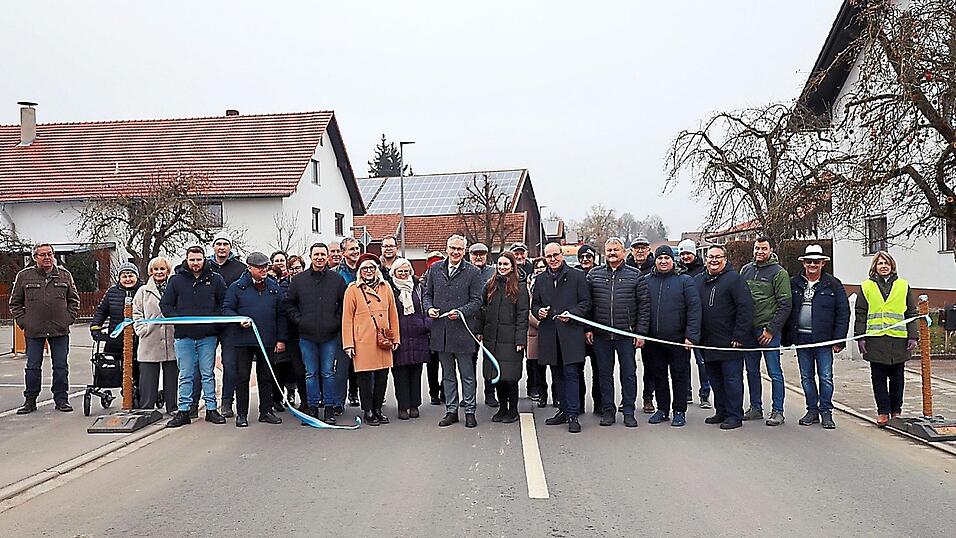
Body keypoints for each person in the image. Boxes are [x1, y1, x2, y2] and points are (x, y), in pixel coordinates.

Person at [783, 245, 849, 430]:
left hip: (824, 340)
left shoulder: (833, 284)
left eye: (816, 262)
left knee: (825, 377)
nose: (812, 265)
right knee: (806, 377)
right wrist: (786, 337)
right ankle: (812, 410)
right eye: (809, 261)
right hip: (802, 339)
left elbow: (843, 312)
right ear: (804, 263)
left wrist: (839, 339)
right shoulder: (794, 283)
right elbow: (786, 308)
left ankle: (826, 411)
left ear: (822, 263)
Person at [585, 237, 649, 428]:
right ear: (605, 252)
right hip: (601, 335)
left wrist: (640, 332)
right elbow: (588, 305)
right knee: (604, 375)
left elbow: (644, 306)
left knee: (628, 374)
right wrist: (588, 328)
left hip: (626, 335)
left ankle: (628, 411)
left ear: (624, 252)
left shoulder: (635, 275)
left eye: (616, 250)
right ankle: (608, 411)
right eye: (609, 250)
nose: (612, 253)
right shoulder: (594, 275)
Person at [10, 243, 81, 414]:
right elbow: (15, 303)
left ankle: (61, 399)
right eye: (42, 255)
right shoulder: (24, 276)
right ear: (35, 257)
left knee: (61, 366)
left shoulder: (64, 275)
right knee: (33, 367)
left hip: (59, 330)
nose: (47, 257)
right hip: (34, 330)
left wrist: (68, 319)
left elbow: (74, 300)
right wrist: (24, 322)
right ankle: (30, 400)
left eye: (50, 254)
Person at [162, 246, 228, 427]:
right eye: (192, 259)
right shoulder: (176, 280)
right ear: (187, 259)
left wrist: (214, 323)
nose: (196, 263)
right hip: (184, 336)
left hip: (208, 336)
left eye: (199, 259)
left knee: (207, 373)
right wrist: (179, 320)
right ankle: (184, 410)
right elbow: (166, 305)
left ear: (204, 259)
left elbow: (223, 304)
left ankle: (211, 409)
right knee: (185, 374)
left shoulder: (216, 279)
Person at [423, 235, 484, 428]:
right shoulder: (435, 268)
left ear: (464, 251)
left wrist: (461, 312)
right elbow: (427, 294)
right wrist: (429, 308)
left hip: (463, 331)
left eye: (459, 249)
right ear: (446, 248)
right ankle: (451, 411)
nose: (455, 252)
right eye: (452, 248)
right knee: (447, 375)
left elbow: (477, 301)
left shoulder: (473, 272)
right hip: (441, 332)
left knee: (467, 375)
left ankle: (470, 411)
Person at [532, 242, 592, 433]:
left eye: (556, 255)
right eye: (549, 256)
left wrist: (571, 314)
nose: (553, 259)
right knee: (556, 374)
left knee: (571, 374)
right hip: (550, 334)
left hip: (571, 334)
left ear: (562, 254)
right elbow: (535, 305)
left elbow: (586, 303)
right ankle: (563, 410)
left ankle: (573, 414)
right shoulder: (540, 279)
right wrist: (539, 312)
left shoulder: (577, 276)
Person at [285, 243, 348, 424]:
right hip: (306, 335)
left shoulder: (337, 280)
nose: (319, 258)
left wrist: (335, 322)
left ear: (327, 257)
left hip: (330, 335)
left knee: (328, 373)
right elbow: (289, 303)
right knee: (310, 373)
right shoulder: (299, 280)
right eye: (316, 254)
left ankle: (329, 408)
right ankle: (312, 407)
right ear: (311, 257)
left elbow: (344, 305)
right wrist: (300, 320)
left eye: (322, 254)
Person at [854, 251, 918, 427]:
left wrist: (913, 336)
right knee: (878, 378)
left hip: (898, 340)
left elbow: (911, 312)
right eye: (880, 263)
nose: (883, 266)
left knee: (898, 378)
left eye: (886, 263)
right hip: (875, 340)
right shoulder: (866, 286)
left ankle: (896, 411)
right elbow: (860, 313)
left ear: (892, 266)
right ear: (874, 266)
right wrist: (860, 337)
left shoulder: (903, 285)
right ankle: (883, 411)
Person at [222, 252, 287, 427]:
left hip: (267, 339)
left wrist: (281, 339)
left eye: (266, 266)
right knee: (242, 377)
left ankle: (266, 411)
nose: (264, 270)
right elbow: (227, 309)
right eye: (260, 267)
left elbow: (281, 314)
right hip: (243, 340)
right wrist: (238, 319)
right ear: (249, 268)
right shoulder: (237, 287)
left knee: (266, 377)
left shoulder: (273, 287)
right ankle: (242, 414)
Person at [695, 245, 753, 430]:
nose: (714, 260)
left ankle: (735, 415)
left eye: (718, 257)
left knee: (732, 380)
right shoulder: (699, 281)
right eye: (710, 257)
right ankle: (721, 411)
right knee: (715, 380)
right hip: (708, 342)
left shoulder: (735, 280)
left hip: (730, 342)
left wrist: (739, 335)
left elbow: (745, 308)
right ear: (706, 260)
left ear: (725, 260)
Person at [643, 246, 701, 427]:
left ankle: (679, 411)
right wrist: (641, 334)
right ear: (655, 261)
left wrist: (691, 336)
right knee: (658, 375)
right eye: (660, 258)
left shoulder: (685, 280)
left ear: (672, 260)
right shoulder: (647, 281)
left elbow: (694, 309)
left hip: (678, 340)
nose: (663, 261)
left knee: (679, 376)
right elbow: (642, 309)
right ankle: (662, 409)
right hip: (654, 340)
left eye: (666, 258)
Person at [740, 237, 792, 426]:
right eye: (757, 248)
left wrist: (771, 330)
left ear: (771, 250)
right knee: (751, 371)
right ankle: (755, 408)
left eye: (763, 248)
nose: (759, 252)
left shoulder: (779, 273)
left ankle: (778, 411)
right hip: (749, 331)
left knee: (774, 372)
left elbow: (785, 304)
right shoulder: (746, 270)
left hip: (769, 332)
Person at [343, 254, 400, 426]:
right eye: (365, 268)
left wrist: (395, 338)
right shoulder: (352, 289)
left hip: (383, 339)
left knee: (382, 376)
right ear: (360, 271)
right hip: (363, 340)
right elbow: (347, 319)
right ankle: (368, 410)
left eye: (372, 268)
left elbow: (393, 314)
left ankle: (378, 409)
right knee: (365, 378)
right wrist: (348, 343)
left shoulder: (386, 287)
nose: (369, 271)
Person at [477, 251, 530, 423]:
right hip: (492, 339)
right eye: (499, 264)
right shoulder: (490, 285)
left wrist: (520, 339)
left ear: (512, 266)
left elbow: (522, 315)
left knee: (510, 378)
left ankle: (513, 410)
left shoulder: (520, 287)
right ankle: (502, 408)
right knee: (497, 376)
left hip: (511, 340)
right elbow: (482, 309)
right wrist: (479, 331)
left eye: (505, 264)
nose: (502, 267)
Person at [208, 236, 247, 419]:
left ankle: (226, 401)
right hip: (208, 323)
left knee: (230, 364)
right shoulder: (205, 267)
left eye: (225, 244)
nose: (222, 247)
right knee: (204, 365)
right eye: (219, 244)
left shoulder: (240, 269)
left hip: (231, 324)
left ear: (230, 247)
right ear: (213, 246)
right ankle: (198, 403)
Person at [132, 257, 178, 414]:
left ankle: (172, 407)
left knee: (171, 376)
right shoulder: (143, 291)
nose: (159, 272)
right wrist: (142, 329)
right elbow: (136, 313)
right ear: (151, 271)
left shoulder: (173, 288)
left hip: (171, 338)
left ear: (167, 271)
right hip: (149, 338)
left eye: (162, 269)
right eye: (156, 269)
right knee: (148, 376)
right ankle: (147, 408)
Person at [389, 258, 431, 420]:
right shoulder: (390, 288)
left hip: (418, 335)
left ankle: (414, 405)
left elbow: (426, 306)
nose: (403, 273)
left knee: (416, 372)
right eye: (400, 271)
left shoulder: (419, 287)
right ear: (394, 272)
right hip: (399, 336)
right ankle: (403, 406)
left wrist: (425, 324)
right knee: (400, 374)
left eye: (406, 271)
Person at [677, 239, 711, 409]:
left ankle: (705, 394)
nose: (685, 257)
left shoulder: (704, 272)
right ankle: (687, 392)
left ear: (694, 254)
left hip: (700, 322)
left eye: (688, 253)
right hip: (681, 323)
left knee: (702, 362)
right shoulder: (677, 272)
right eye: (682, 254)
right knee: (683, 362)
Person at [468, 242, 496, 407]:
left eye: (482, 254)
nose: (478, 257)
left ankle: (490, 393)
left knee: (490, 359)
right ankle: (469, 395)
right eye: (475, 254)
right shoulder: (465, 272)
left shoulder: (493, 273)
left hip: (489, 321)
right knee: (469, 361)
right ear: (470, 255)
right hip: (471, 322)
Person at [337, 237, 362, 407]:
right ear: (343, 252)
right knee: (343, 364)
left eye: (357, 248)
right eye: (351, 249)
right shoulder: (337, 273)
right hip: (343, 322)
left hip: (362, 322)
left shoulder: (365, 268)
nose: (355, 251)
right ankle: (339, 401)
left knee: (361, 361)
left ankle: (355, 393)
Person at [281, 255, 307, 409]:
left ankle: (311, 399)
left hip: (308, 332)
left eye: (298, 268)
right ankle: (301, 399)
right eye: (292, 268)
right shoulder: (283, 286)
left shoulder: (309, 284)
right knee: (297, 370)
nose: (295, 271)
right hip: (291, 334)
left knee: (310, 369)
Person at [422, 251, 446, 406]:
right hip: (429, 329)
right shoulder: (422, 283)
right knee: (432, 365)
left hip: (446, 326)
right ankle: (434, 392)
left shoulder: (447, 278)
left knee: (447, 364)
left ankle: (444, 390)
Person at [527, 257, 548, 407]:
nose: (540, 269)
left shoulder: (550, 282)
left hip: (550, 329)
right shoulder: (528, 285)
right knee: (536, 366)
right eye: (537, 267)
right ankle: (541, 394)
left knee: (554, 365)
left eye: (542, 266)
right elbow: (527, 309)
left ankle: (557, 396)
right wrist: (538, 323)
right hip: (533, 330)